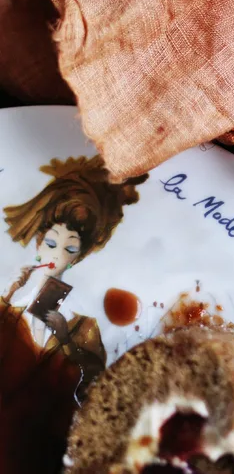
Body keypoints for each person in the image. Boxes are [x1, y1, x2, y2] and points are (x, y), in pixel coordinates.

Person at [0, 155, 146, 473]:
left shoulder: (82, 328)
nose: (56, 255)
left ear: (80, 254)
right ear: (39, 240)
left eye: (69, 248)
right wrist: (9, 296)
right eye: (51, 242)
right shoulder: (7, 304)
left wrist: (66, 338)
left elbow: (95, 392)